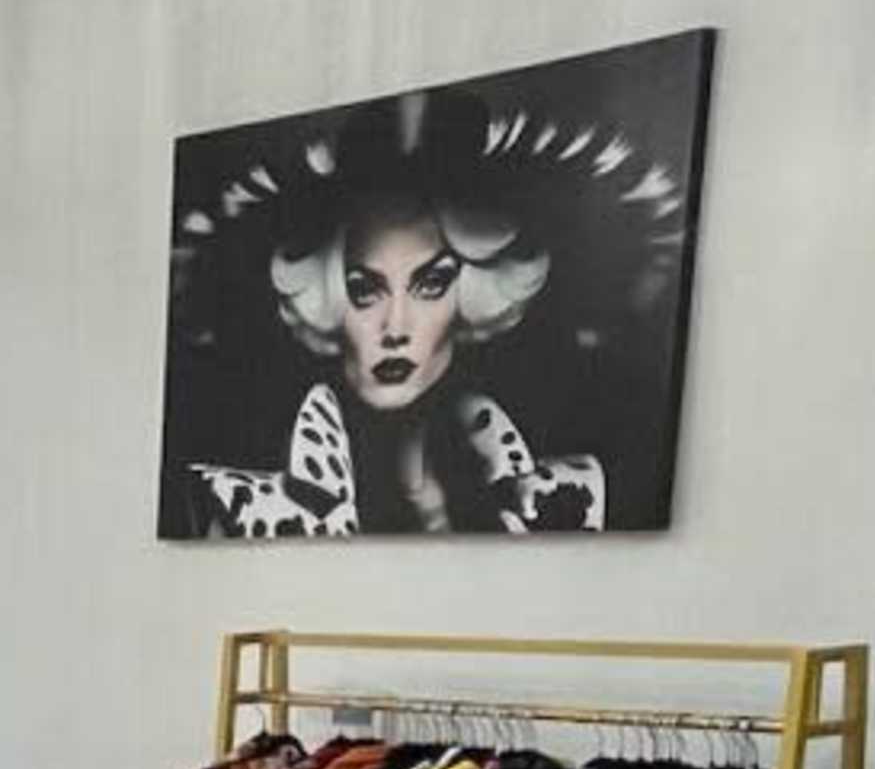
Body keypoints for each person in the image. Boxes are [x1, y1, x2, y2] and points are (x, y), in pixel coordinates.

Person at [186, 89, 605, 537]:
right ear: (324, 298)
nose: (396, 328)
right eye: (364, 290)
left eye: (430, 285)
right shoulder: (240, 507)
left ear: (470, 297)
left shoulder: (565, 494)